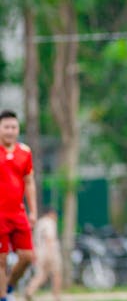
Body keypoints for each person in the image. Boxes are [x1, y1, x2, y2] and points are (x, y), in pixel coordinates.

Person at [0, 110, 37, 301]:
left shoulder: (25, 152)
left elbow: (29, 181)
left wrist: (33, 211)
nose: (10, 131)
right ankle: (4, 297)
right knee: (2, 258)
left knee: (28, 256)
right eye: (6, 127)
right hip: (0, 216)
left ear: (18, 129)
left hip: (18, 213)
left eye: (13, 127)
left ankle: (9, 285)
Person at [24, 208, 62, 301]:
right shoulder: (49, 222)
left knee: (41, 275)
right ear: (51, 214)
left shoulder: (39, 223)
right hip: (50, 252)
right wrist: (50, 254)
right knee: (57, 274)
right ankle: (56, 295)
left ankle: (29, 291)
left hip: (38, 251)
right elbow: (49, 238)